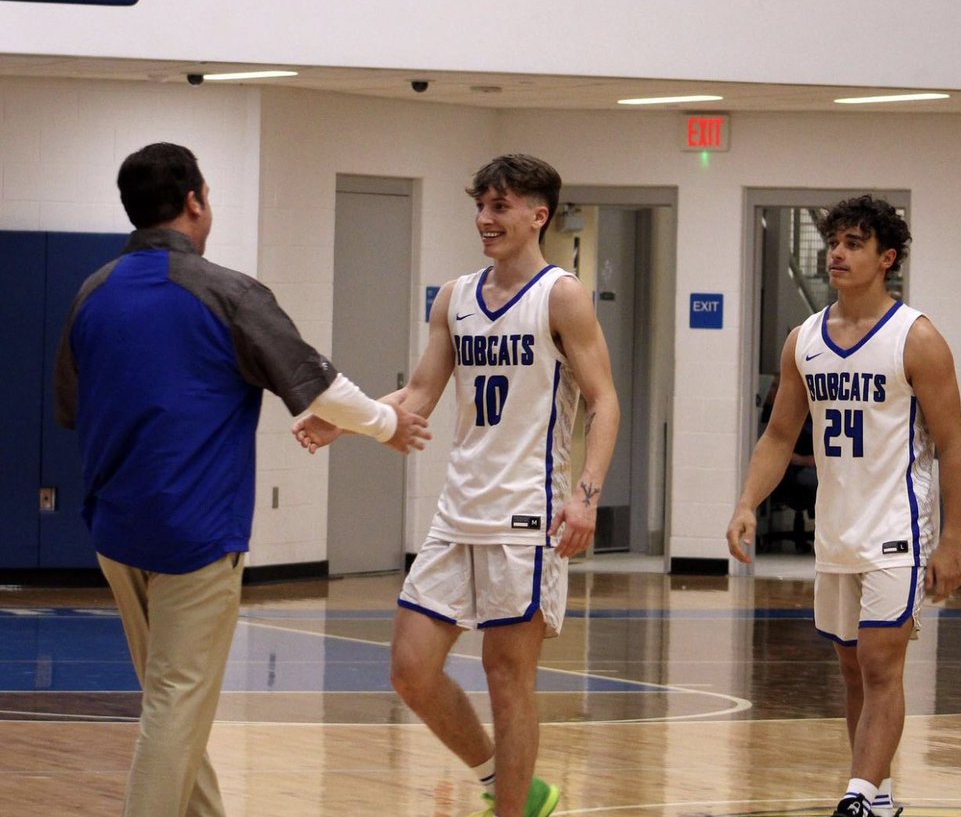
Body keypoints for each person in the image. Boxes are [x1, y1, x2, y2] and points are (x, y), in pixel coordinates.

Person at [55, 142, 429, 817]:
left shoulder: (92, 293)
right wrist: (384, 424)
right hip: (194, 536)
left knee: (174, 700)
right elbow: (320, 385)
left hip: (114, 531)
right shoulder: (227, 293)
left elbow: (71, 407)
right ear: (196, 201)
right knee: (176, 705)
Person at [295, 153, 620, 817]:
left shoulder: (562, 295)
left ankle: (511, 810)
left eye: (499, 206)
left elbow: (604, 401)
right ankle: (509, 785)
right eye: (480, 205)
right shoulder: (455, 296)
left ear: (538, 215)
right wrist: (348, 422)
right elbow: (420, 392)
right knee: (410, 670)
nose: (484, 219)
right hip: (457, 510)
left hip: (527, 514)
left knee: (508, 680)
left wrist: (585, 496)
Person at [727, 195, 961, 817]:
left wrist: (951, 542)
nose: (836, 252)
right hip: (837, 534)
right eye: (834, 241)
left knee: (881, 664)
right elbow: (780, 435)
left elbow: (952, 446)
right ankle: (881, 795)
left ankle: (857, 795)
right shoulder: (803, 340)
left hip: (898, 530)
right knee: (854, 673)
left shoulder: (917, 339)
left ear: (886, 258)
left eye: (854, 243)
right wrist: (748, 502)